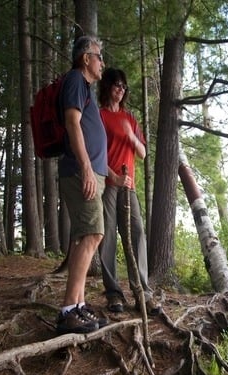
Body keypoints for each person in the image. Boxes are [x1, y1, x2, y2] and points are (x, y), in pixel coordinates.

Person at [56, 36, 109, 334]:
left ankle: (77, 305)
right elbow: (72, 123)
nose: (102, 62)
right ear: (86, 58)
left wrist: (104, 171)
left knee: (84, 238)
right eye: (99, 56)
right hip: (80, 171)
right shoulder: (76, 79)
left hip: (89, 172)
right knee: (93, 233)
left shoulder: (83, 86)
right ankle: (67, 311)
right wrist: (87, 168)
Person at [98, 68, 159, 315]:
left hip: (129, 187)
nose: (120, 90)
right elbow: (95, 155)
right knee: (108, 237)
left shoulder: (130, 119)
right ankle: (113, 293)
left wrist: (131, 136)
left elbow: (142, 153)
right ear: (108, 87)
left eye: (123, 86)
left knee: (136, 234)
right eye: (116, 85)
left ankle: (143, 292)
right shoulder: (100, 116)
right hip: (108, 185)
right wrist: (114, 177)